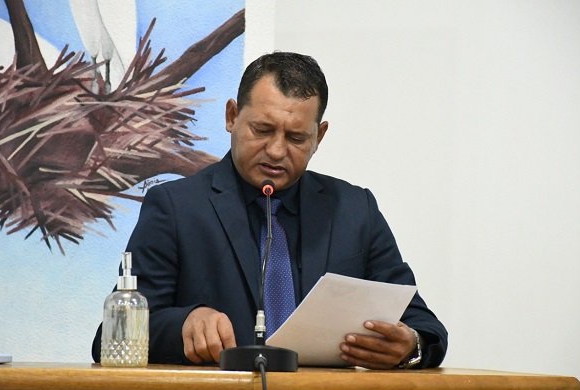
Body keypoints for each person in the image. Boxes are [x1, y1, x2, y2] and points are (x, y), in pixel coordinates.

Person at [92, 52, 447, 369]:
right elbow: (111, 336)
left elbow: (423, 326)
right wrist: (184, 323)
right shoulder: (175, 208)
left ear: (319, 136)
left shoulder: (355, 211)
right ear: (232, 116)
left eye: (296, 138)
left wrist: (410, 347)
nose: (277, 151)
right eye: (262, 130)